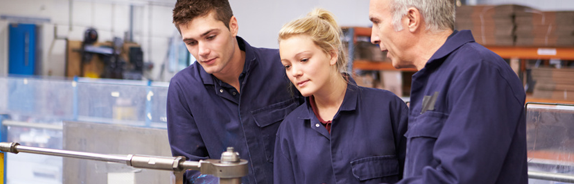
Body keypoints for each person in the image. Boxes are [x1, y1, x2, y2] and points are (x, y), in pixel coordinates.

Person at [368, 0, 528, 183]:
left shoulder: (478, 71)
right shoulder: (434, 78)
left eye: (377, 22)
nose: (373, 37)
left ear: (411, 19)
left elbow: (460, 177)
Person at [167, 0, 302, 183]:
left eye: (210, 37)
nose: (202, 51)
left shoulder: (283, 68)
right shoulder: (182, 89)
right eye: (191, 42)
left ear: (233, 26)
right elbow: (191, 167)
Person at [274, 8, 409, 184]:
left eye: (304, 60)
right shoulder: (289, 130)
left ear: (332, 54)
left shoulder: (388, 109)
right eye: (287, 66)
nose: (295, 72)